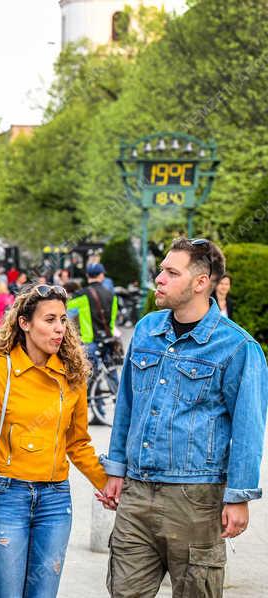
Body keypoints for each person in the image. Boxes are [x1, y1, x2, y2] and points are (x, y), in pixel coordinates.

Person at [100, 238, 268, 598]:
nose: (159, 278)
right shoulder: (146, 329)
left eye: (171, 272)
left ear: (201, 282)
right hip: (136, 494)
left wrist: (238, 496)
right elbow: (127, 404)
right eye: (161, 269)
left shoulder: (239, 347)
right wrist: (116, 468)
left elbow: (249, 428)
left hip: (196, 498)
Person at [0, 283, 109, 598]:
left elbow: (77, 443)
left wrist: (107, 483)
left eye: (63, 320)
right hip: (7, 498)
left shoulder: (72, 375)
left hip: (55, 500)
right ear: (24, 323)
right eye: (49, 320)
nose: (59, 329)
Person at [66, 263, 118, 373]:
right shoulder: (111, 295)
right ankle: (116, 390)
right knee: (111, 371)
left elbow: (66, 314)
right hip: (107, 339)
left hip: (90, 341)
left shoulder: (81, 295)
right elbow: (113, 318)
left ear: (87, 275)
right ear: (102, 275)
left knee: (90, 375)